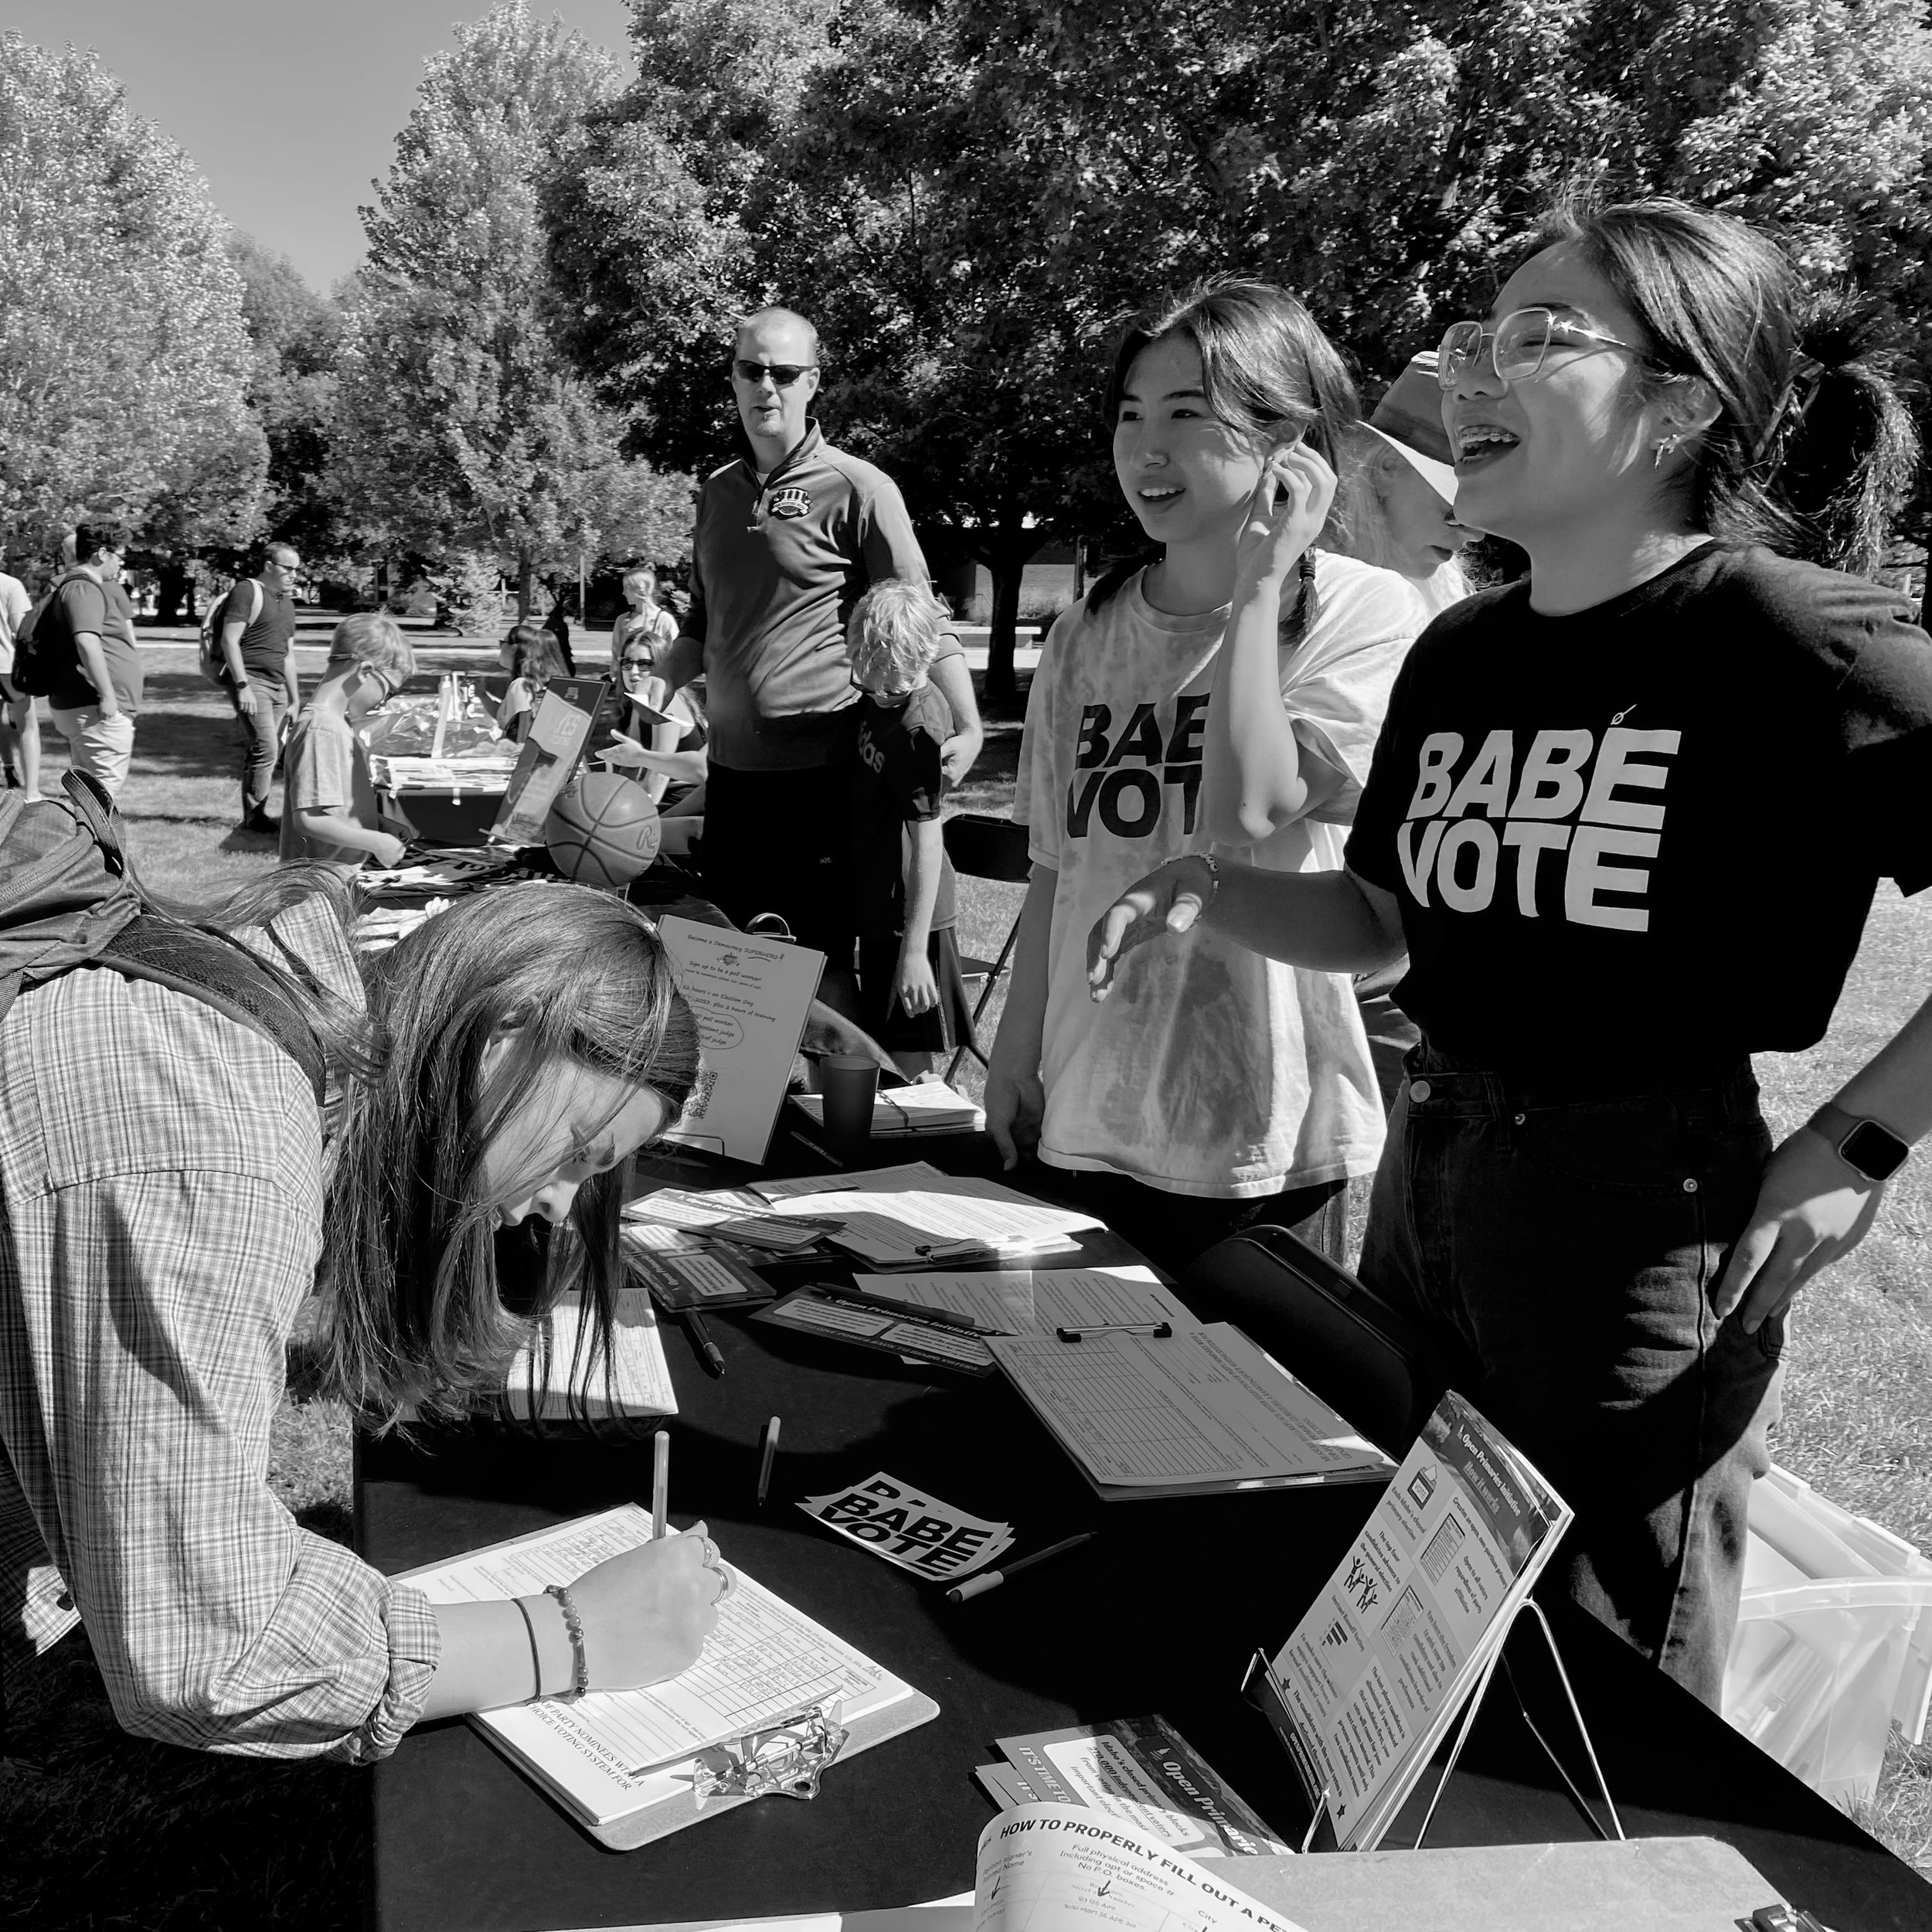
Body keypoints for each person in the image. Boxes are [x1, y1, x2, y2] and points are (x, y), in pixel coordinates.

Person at [1085, 199, 1932, 1706]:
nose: (1471, 373)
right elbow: (1383, 929)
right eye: (1476, 335)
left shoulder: (1798, 639)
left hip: (1635, 1230)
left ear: (1678, 401)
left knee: (1595, 1699)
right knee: (1423, 1649)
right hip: (1429, 1191)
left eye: (1539, 336)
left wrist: (1855, 1142)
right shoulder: (1458, 656)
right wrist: (1209, 886)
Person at [0, 870, 726, 1757]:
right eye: (579, 1150)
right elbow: (210, 1645)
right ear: (506, 1029)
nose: (560, 1206)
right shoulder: (222, 1145)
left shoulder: (260, 1026)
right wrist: (570, 1634)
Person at [983, 280, 1427, 1277]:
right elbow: (1057, 865)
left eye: (1188, 416)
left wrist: (1261, 584)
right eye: (1131, 416)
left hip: (1257, 1133)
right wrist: (1017, 1049)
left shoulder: (1363, 612)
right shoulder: (1085, 631)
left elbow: (1245, 811)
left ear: (1289, 441)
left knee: (1239, 1425)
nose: (1147, 450)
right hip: (1088, 1107)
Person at [654, 308, 984, 1004]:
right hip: (733, 773)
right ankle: (755, 1112)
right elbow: (705, 615)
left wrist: (971, 724)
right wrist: (668, 669)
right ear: (734, 378)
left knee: (816, 965)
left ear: (813, 383)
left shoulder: (861, 488)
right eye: (752, 370)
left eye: (785, 373)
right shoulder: (716, 492)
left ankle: (827, 1106)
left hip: (823, 773)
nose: (766, 386)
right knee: (734, 962)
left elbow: (923, 617)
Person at [1327, 352, 1477, 1107]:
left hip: (1410, 950)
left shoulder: (1446, 606)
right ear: (1381, 472)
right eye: (1450, 498)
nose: (1468, 522)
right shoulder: (1300, 595)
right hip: (1315, 932)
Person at [847, 580, 978, 1079]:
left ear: (926, 657)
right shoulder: (877, 699)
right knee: (878, 1044)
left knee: (908, 1063)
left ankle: (933, 1146)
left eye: (895, 686)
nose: (881, 693)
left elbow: (928, 840)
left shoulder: (918, 731)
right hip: (880, 906)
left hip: (912, 916)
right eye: (870, 682)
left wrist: (915, 952)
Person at [281, 613, 419, 870]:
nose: (384, 702)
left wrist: (377, 823)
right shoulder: (322, 729)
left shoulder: (336, 724)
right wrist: (376, 842)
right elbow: (310, 819)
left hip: (336, 885)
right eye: (389, 691)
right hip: (316, 895)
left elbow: (334, 809)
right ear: (366, 671)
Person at [40, 526, 141, 800]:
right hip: (96, 708)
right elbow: (87, 641)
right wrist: (108, 696)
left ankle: (84, 842)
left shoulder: (82, 586)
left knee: (89, 798)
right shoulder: (82, 588)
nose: (121, 562)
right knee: (101, 800)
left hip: (93, 707)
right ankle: (92, 843)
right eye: (119, 555)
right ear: (101, 553)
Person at [216, 544, 304, 837]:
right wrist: (243, 686)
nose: (293, 575)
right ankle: (255, 818)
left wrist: (295, 698)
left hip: (278, 686)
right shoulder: (247, 591)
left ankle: (254, 814)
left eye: (296, 570)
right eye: (287, 568)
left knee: (262, 749)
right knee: (267, 748)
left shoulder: (287, 603)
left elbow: (288, 655)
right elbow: (230, 641)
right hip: (252, 681)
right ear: (269, 566)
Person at [0, 563, 39, 798]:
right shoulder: (11, 585)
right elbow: (23, 631)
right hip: (8, 668)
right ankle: (32, 792)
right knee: (28, 727)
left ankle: (9, 770)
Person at [497, 622, 571, 743]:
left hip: (519, 755)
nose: (500, 649)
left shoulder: (522, 686)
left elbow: (519, 734)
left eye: (502, 643)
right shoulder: (545, 684)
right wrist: (483, 695)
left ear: (513, 648)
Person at [611, 566, 680, 669]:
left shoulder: (664, 620)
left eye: (627, 588)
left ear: (640, 589)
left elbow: (676, 655)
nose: (623, 593)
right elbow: (616, 657)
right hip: (628, 680)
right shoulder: (622, 620)